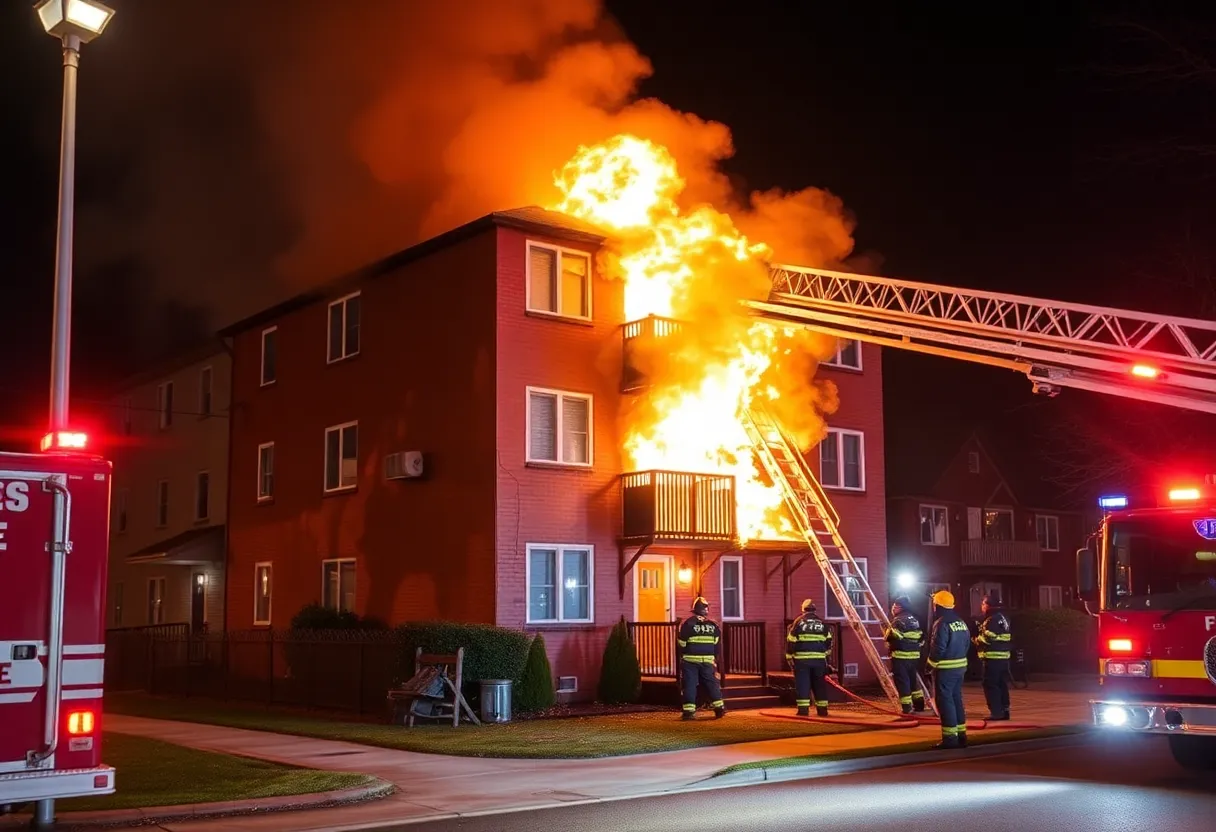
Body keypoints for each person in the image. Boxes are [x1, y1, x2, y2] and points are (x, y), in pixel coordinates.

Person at [927, 589, 970, 748]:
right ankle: (961, 736)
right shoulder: (960, 622)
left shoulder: (941, 623)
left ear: (937, 606)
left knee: (945, 702)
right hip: (960, 668)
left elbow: (938, 648)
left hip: (945, 669)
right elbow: (967, 643)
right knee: (956, 699)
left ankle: (950, 739)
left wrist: (929, 665)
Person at [676, 596, 725, 720]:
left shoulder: (688, 624)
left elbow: (682, 643)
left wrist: (683, 653)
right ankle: (719, 709)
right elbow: (716, 644)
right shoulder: (713, 626)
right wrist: (715, 659)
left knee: (690, 685)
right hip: (708, 661)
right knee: (712, 684)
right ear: (706, 610)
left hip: (690, 661)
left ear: (694, 610)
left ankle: (689, 712)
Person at [786, 599, 834, 716]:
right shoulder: (821, 623)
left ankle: (803, 710)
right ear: (814, 610)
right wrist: (826, 657)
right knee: (820, 685)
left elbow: (791, 640)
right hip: (819, 661)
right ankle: (822, 710)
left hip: (802, 660)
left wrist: (789, 656)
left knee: (803, 684)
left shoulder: (799, 622)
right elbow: (829, 641)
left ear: (803, 610)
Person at [974, 592, 1013, 721]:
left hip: (992, 658)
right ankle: (1005, 710)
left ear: (988, 605)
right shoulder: (1004, 617)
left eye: (983, 603)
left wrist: (976, 640)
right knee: (1002, 684)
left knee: (990, 684)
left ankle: (996, 712)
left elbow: (988, 639)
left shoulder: (990, 620)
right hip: (1003, 658)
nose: (982, 606)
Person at [884, 596, 926, 714]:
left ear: (899, 607)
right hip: (914, 656)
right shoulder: (914, 618)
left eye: (894, 606)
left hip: (901, 656)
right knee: (913, 680)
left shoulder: (898, 620)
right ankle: (919, 705)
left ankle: (907, 708)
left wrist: (887, 631)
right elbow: (921, 637)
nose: (893, 608)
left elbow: (892, 636)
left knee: (902, 681)